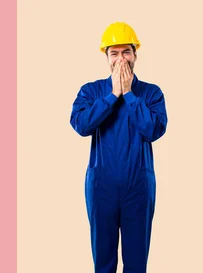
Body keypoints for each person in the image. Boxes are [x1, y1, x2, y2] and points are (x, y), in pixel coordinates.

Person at [69, 22, 168, 273]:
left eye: (126, 52)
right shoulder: (91, 91)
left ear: (135, 55)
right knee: (103, 261)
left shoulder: (151, 93)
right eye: (114, 53)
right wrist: (112, 96)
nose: (121, 59)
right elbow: (81, 125)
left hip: (138, 187)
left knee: (136, 262)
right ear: (106, 57)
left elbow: (153, 130)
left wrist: (130, 95)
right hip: (101, 186)